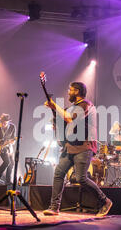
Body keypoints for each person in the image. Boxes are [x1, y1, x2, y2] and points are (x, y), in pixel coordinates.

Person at [43, 82, 113, 217]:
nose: (68, 92)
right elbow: (65, 122)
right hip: (69, 146)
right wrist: (56, 121)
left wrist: (54, 105)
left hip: (83, 146)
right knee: (59, 174)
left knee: (81, 178)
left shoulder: (86, 105)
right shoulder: (72, 108)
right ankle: (54, 207)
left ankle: (105, 201)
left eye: (70, 90)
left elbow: (69, 118)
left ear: (77, 91)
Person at [0, 113, 16, 184]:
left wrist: (11, 142)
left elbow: (13, 139)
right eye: (2, 122)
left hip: (8, 147)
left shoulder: (12, 127)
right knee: (7, 162)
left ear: (9, 122)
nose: (4, 124)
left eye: (5, 123)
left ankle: (8, 180)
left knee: (12, 163)